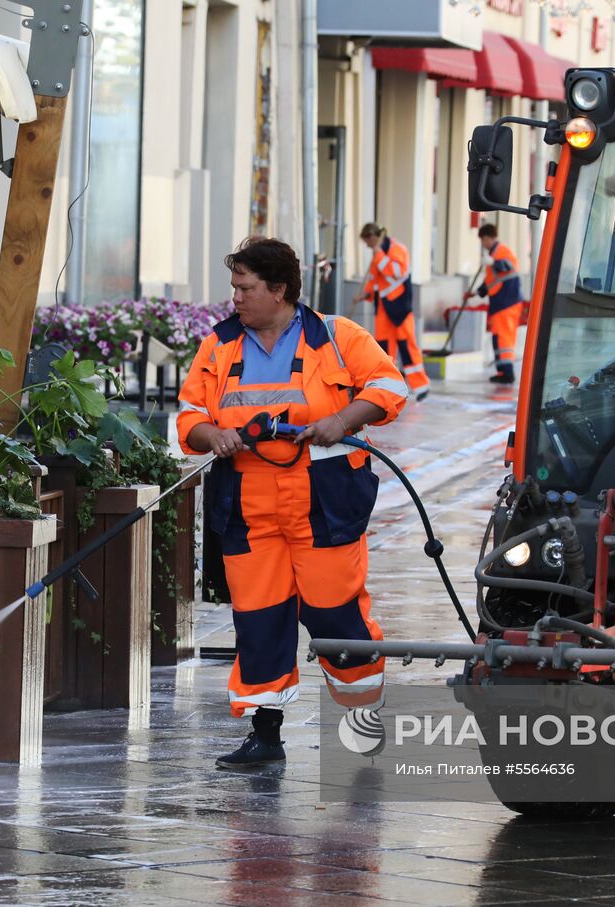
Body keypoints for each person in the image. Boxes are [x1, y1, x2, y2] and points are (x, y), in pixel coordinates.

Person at [178, 237, 410, 770]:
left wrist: (343, 421)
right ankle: (265, 736)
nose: (235, 298)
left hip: (322, 501)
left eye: (245, 288)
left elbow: (388, 385)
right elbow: (189, 416)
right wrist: (211, 434)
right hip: (247, 501)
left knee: (337, 618)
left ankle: (362, 730)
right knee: (258, 619)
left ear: (278, 290)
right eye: (234, 287)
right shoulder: (219, 346)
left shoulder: (337, 336)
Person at [352, 223, 431, 401]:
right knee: (384, 349)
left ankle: (421, 385)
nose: (367, 246)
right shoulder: (377, 254)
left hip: (400, 307)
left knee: (407, 345)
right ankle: (388, 386)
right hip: (383, 308)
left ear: (372, 237)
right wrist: (365, 294)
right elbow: (375, 279)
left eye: (367, 242)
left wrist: (379, 255)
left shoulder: (396, 249)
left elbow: (397, 272)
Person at [467, 223, 522, 384]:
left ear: (489, 238)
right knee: (498, 337)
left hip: (507, 302)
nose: (483, 244)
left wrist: (493, 262)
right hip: (500, 302)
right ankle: (502, 371)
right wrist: (476, 293)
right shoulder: (493, 254)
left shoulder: (502, 252)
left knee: (504, 338)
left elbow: (508, 266)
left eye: (484, 240)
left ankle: (507, 373)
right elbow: (491, 282)